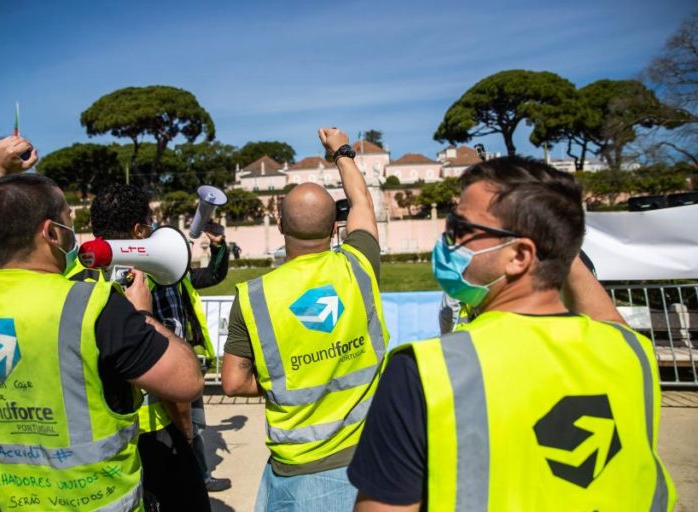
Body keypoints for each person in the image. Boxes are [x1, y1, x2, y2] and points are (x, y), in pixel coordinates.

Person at [347, 156, 676, 511]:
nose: (447, 241)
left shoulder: (424, 372)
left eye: (461, 229)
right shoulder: (631, 353)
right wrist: (560, 243)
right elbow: (610, 322)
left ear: (519, 255)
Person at [0, 136, 203, 511]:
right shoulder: (91, 307)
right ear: (52, 233)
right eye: (68, 220)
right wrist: (141, 315)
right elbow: (186, 380)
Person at [221, 128, 389, 511]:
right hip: (369, 457)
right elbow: (361, 201)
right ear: (335, 230)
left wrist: (286, 380)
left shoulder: (253, 297)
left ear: (280, 227)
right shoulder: (359, 266)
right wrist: (341, 151)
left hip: (296, 470)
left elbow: (232, 382)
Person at [73, 183, 228, 507]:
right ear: (139, 229)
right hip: (157, 429)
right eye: (150, 223)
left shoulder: (75, 277)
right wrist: (185, 431)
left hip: (98, 434)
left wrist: (219, 247)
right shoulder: (152, 275)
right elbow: (171, 374)